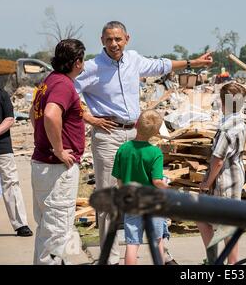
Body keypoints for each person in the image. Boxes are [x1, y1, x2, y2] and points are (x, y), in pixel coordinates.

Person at [75, 21, 212, 265]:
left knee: (150, 190)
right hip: (108, 135)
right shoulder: (91, 67)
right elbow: (70, 91)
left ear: (127, 38)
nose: (114, 44)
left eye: (118, 39)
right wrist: (89, 118)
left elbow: (162, 65)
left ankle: (161, 252)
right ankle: (111, 257)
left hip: (136, 134)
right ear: (101, 40)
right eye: (109, 39)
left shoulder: (134, 60)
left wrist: (193, 63)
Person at [30, 39, 86, 265]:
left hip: (43, 164)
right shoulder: (63, 84)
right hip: (56, 169)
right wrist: (59, 149)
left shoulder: (49, 80)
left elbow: (34, 113)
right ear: (77, 62)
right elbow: (51, 115)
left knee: (47, 229)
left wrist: (44, 141)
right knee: (58, 232)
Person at [197, 82, 246, 265]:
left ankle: (220, 262)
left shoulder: (227, 128)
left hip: (224, 181)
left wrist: (206, 183)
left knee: (207, 221)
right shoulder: (239, 121)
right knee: (227, 223)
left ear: (223, 101)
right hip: (235, 177)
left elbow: (218, 160)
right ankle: (227, 262)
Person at [111, 109, 170, 265]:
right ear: (156, 132)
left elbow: (119, 179)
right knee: (157, 241)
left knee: (132, 242)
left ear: (136, 124)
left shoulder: (123, 149)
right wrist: (169, 190)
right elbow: (157, 181)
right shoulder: (155, 152)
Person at [0, 86, 33, 237]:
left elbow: (9, 119)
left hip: (2, 148)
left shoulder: (2, 94)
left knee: (11, 183)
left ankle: (21, 225)